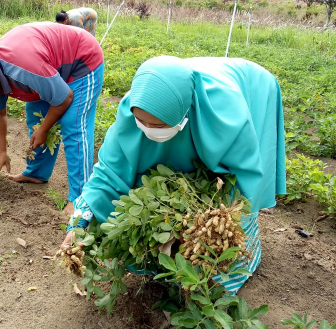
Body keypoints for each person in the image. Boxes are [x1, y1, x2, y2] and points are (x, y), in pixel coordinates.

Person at [60, 56, 286, 295]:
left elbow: (242, 177)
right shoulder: (134, 107)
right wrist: (79, 221)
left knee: (224, 222)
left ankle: (231, 272)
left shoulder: (227, 115)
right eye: (142, 122)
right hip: (173, 88)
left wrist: (212, 226)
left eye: (158, 126)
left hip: (250, 86)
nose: (148, 130)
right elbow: (108, 172)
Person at [0, 22, 104, 214]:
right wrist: (1, 152)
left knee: (73, 126)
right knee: (36, 118)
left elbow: (64, 98)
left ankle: (80, 199)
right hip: (49, 68)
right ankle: (36, 173)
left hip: (81, 61)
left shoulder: (23, 69)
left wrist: (45, 129)